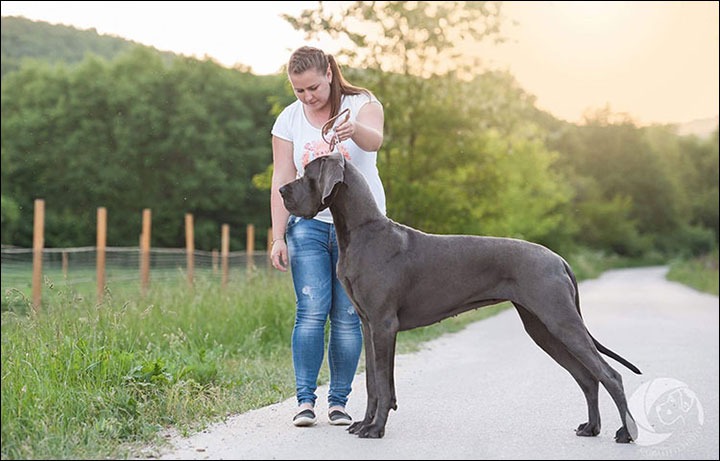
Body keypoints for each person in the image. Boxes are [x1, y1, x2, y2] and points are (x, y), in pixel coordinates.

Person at [269, 46, 386, 427]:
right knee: (311, 312)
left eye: (313, 88)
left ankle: (339, 402)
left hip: (361, 232)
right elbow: (282, 179)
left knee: (349, 316)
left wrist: (356, 129)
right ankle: (305, 402)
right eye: (299, 90)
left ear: (330, 74)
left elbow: (375, 141)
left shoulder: (362, 103)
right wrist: (278, 235)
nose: (307, 97)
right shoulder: (288, 119)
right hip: (310, 229)